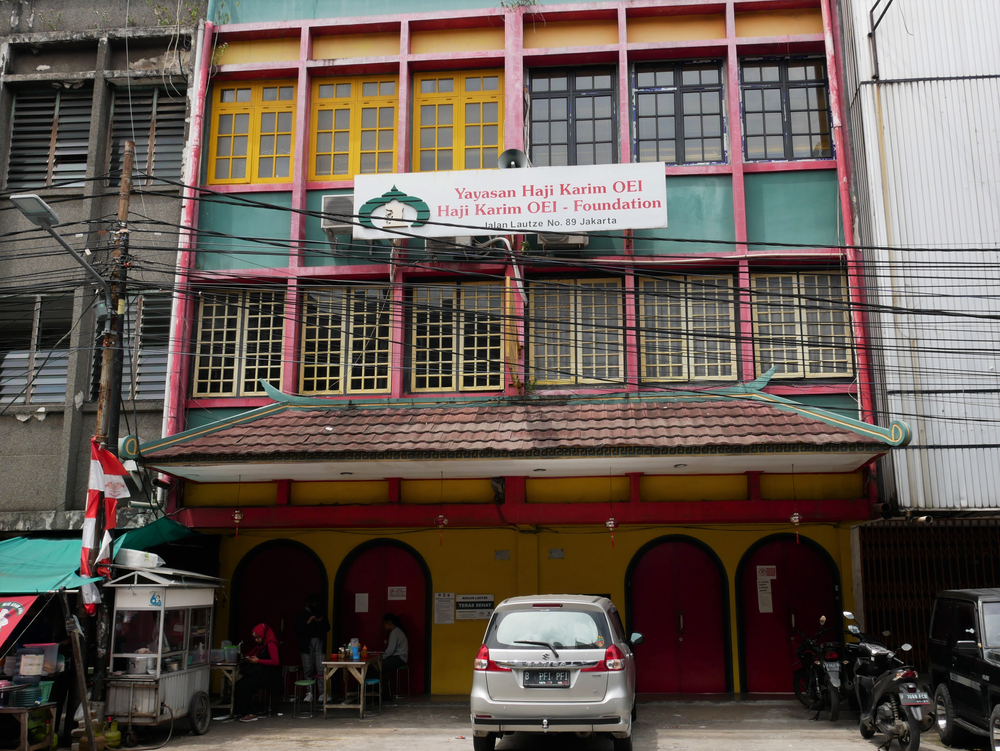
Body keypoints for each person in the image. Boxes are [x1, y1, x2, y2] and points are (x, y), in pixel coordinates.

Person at [234, 623, 280, 722]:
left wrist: (258, 661)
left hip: (268, 676)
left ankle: (251, 713)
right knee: (239, 683)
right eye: (254, 638)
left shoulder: (271, 643)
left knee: (245, 685)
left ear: (263, 635)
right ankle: (241, 711)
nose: (256, 640)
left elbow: (275, 661)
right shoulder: (260, 645)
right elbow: (249, 653)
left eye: (257, 637)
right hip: (260, 673)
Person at [294, 594, 330, 703]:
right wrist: (308, 622)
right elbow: (297, 629)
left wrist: (321, 622)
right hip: (306, 644)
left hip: (319, 642)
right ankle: (309, 693)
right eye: (313, 603)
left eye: (316, 603)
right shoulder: (302, 614)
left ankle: (322, 693)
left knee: (321, 669)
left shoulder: (321, 612)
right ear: (308, 603)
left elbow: (327, 628)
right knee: (307, 670)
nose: (315, 605)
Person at [380, 613, 408, 697]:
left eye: (384, 623)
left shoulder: (395, 633)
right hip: (400, 658)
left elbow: (390, 651)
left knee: (376, 666)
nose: (384, 626)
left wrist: (381, 658)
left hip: (399, 658)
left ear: (389, 623)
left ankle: (375, 692)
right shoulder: (397, 631)